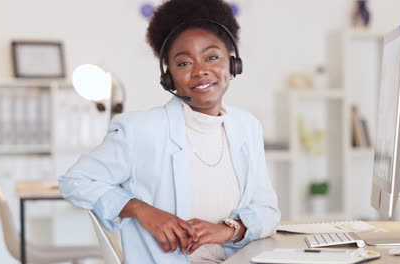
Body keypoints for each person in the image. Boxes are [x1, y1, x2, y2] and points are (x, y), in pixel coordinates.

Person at [58, 0, 280, 263]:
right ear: (169, 78)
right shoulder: (140, 130)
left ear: (233, 64)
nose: (200, 71)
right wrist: (140, 210)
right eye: (184, 63)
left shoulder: (247, 126)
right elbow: (75, 181)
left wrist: (227, 230)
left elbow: (267, 211)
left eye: (212, 57)